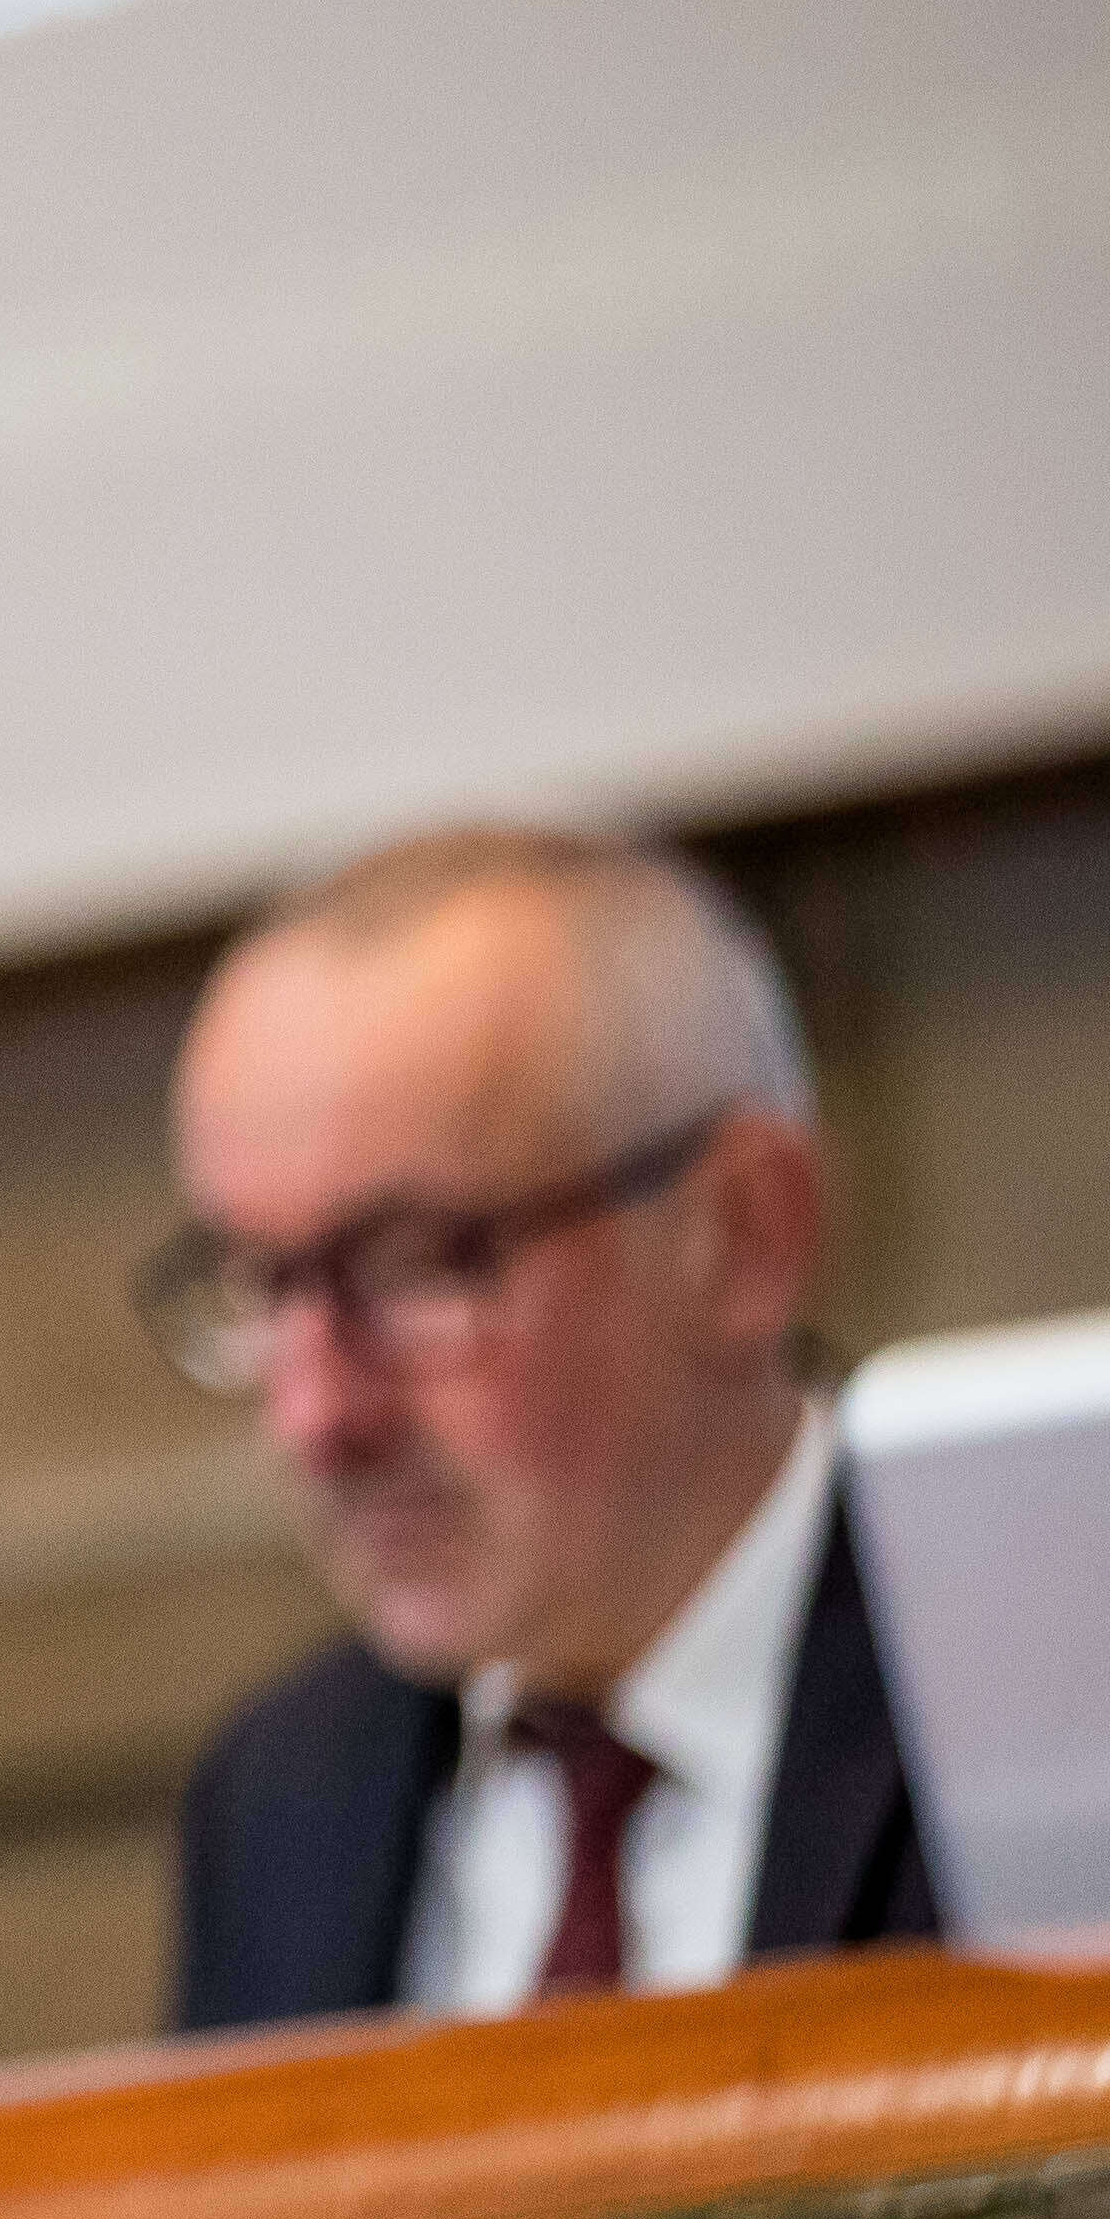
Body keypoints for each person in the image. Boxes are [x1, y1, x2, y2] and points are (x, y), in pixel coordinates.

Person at [154, 826, 936, 2032]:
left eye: (417, 1269)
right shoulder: (280, 1801)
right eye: (259, 1286)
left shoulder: (1031, 1692)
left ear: (744, 1232)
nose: (317, 1419)